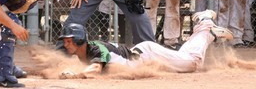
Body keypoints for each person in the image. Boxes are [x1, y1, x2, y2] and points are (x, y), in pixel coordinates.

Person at [58, 10, 233, 78]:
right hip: (142, 54)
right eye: (65, 41)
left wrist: (76, 75)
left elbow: (96, 69)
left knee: (192, 63)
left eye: (69, 41)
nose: (66, 45)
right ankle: (205, 32)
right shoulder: (83, 53)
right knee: (186, 60)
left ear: (80, 40)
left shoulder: (96, 48)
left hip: (148, 54)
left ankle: (205, 24)